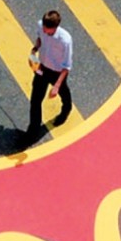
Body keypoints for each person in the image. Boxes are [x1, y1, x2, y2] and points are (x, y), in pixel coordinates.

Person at [26, 10, 73, 145]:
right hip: (42, 68)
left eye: (49, 31)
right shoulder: (41, 26)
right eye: (44, 29)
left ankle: (66, 110)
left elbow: (67, 67)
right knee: (35, 100)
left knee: (64, 93)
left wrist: (56, 86)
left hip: (57, 72)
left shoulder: (65, 41)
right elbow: (40, 38)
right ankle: (33, 130)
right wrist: (34, 50)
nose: (45, 32)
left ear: (56, 27)